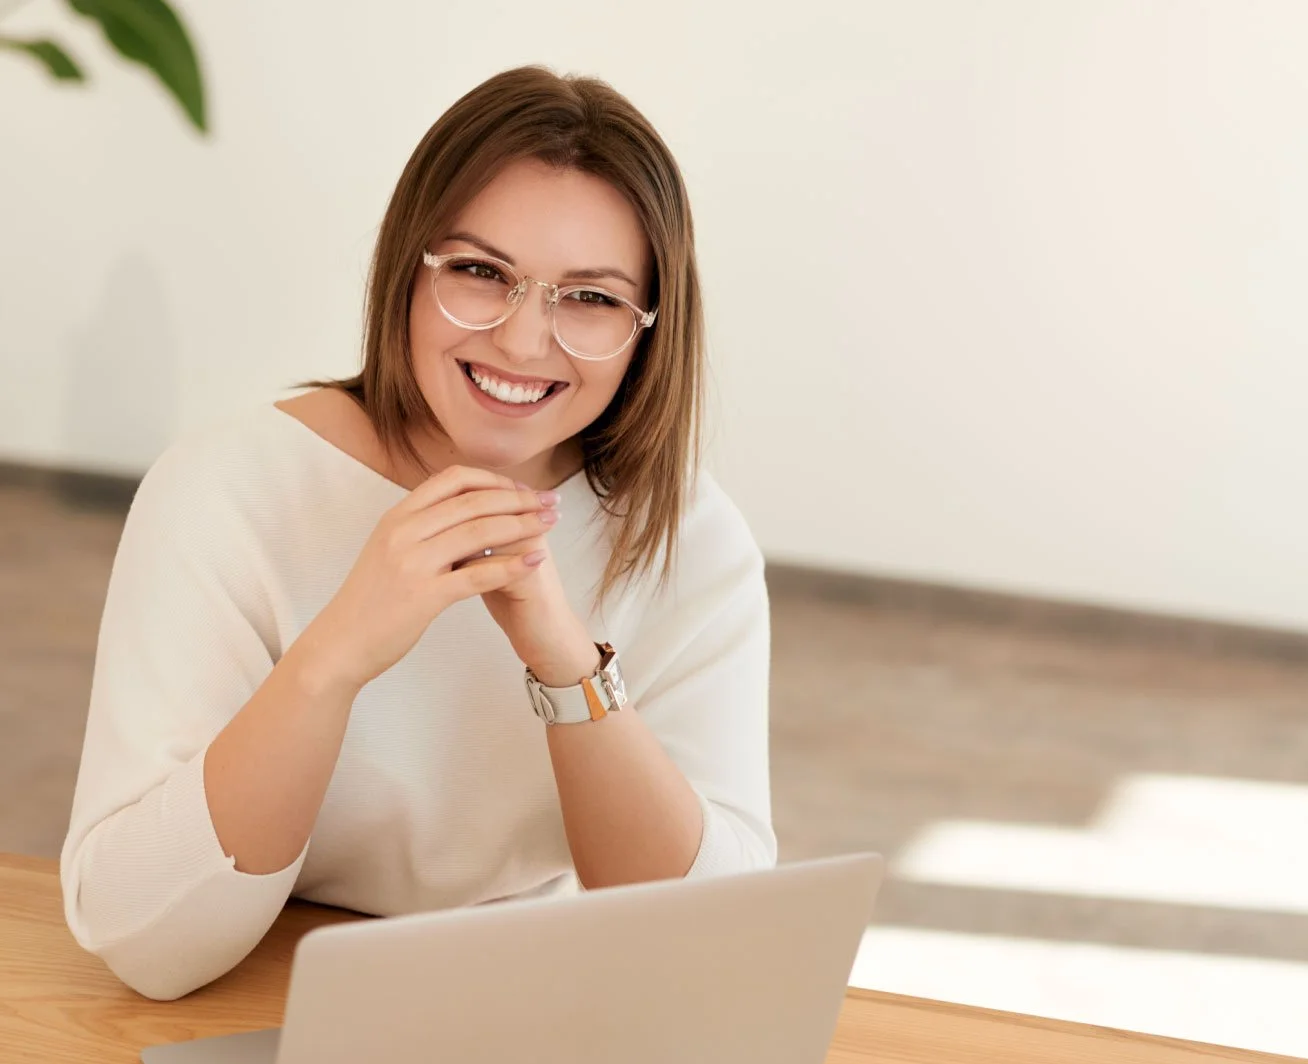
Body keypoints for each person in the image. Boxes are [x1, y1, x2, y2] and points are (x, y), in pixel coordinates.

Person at [58, 66, 775, 1001]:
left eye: (591, 298)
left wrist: (567, 667)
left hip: (521, 1007)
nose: (523, 342)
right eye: (481, 273)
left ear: (648, 328)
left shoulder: (690, 539)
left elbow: (712, 953)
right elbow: (145, 941)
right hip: (268, 990)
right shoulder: (228, 488)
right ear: (407, 269)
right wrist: (338, 653)